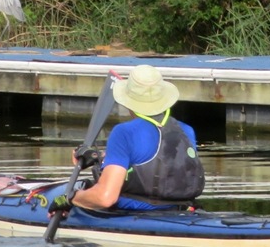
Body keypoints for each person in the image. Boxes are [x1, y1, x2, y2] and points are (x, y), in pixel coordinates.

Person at [50, 64, 205, 214]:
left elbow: (105, 198)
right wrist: (100, 157)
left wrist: (70, 198)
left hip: (134, 213)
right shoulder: (186, 130)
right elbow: (160, 161)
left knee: (85, 191)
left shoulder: (124, 132)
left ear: (129, 103)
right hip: (183, 211)